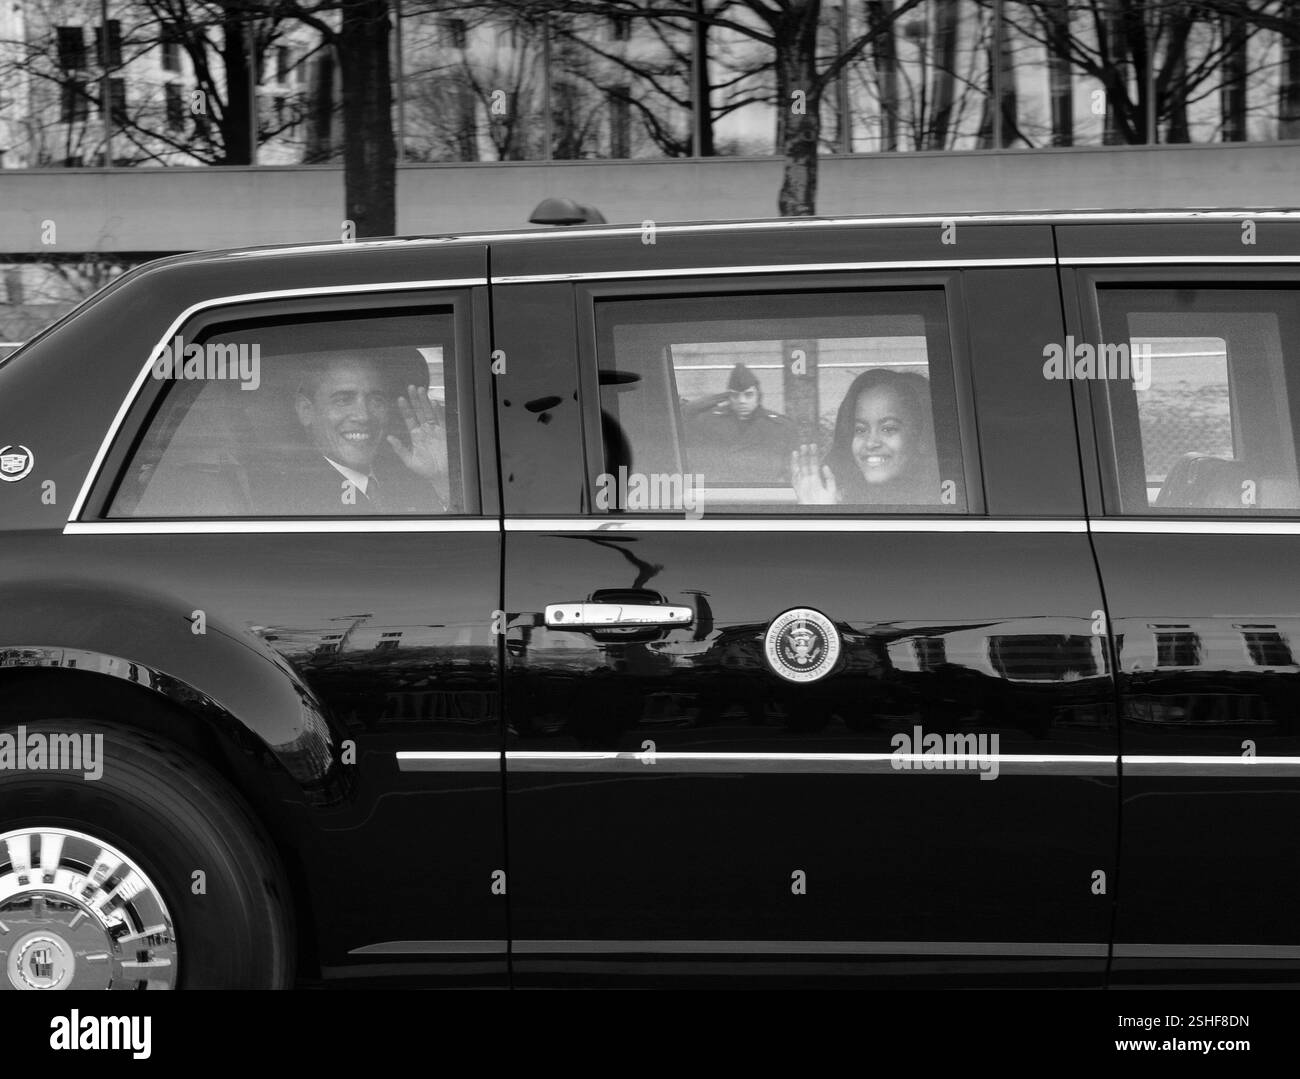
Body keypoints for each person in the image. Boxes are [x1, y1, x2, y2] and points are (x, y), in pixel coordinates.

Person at [253, 354, 451, 514]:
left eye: (376, 401)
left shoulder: (408, 475)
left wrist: (441, 480)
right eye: (343, 400)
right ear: (306, 410)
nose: (364, 416)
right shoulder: (285, 498)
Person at [792, 368, 942, 506]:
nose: (871, 443)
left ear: (921, 436)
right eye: (860, 430)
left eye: (888, 429)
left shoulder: (940, 504)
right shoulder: (836, 497)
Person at [684, 362, 798, 484]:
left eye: (748, 395)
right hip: (721, 494)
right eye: (735, 396)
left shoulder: (780, 427)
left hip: (764, 495)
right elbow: (683, 419)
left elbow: (790, 473)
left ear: (758, 396)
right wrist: (713, 400)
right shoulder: (708, 422)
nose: (742, 401)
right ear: (728, 397)